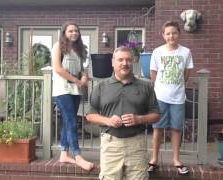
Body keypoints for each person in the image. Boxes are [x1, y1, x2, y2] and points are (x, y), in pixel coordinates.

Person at [86, 46, 160, 180]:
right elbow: (90, 115)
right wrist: (108, 120)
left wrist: (138, 119)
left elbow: (156, 115)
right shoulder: (101, 87)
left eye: (128, 60)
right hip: (111, 145)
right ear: (113, 63)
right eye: (120, 60)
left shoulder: (146, 86)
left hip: (137, 144)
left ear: (133, 62)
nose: (124, 63)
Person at [148, 21, 194, 175]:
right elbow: (153, 73)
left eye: (174, 33)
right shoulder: (157, 52)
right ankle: (154, 159)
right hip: (160, 97)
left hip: (178, 98)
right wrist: (162, 87)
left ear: (179, 34)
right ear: (163, 35)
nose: (171, 36)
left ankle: (176, 159)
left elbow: (186, 74)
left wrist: (176, 86)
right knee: (158, 128)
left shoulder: (186, 52)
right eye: (167, 33)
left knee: (176, 129)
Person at [52, 21, 94, 171]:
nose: (74, 33)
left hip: (75, 90)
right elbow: (58, 68)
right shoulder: (58, 46)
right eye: (70, 31)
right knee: (71, 121)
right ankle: (78, 156)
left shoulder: (80, 49)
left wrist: (84, 77)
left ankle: (64, 153)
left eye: (76, 31)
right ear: (64, 33)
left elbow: (84, 68)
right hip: (62, 90)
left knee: (68, 120)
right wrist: (76, 80)